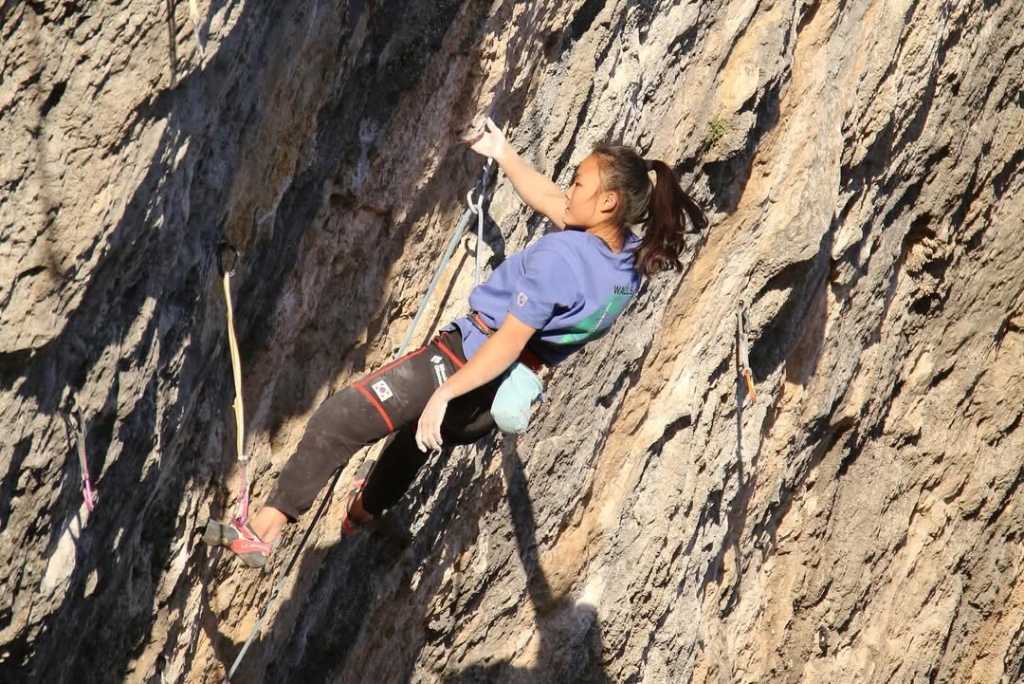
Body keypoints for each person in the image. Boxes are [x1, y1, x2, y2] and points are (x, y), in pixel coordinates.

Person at [204, 118, 707, 567]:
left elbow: (507, 342)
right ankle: (362, 510)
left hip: (466, 363)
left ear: (607, 202)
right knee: (415, 441)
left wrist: (441, 393)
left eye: (578, 181)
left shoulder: (560, 260)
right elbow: (554, 202)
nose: (568, 188)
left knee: (340, 419)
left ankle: (262, 530)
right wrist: (504, 153)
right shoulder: (629, 262)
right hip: (495, 405)